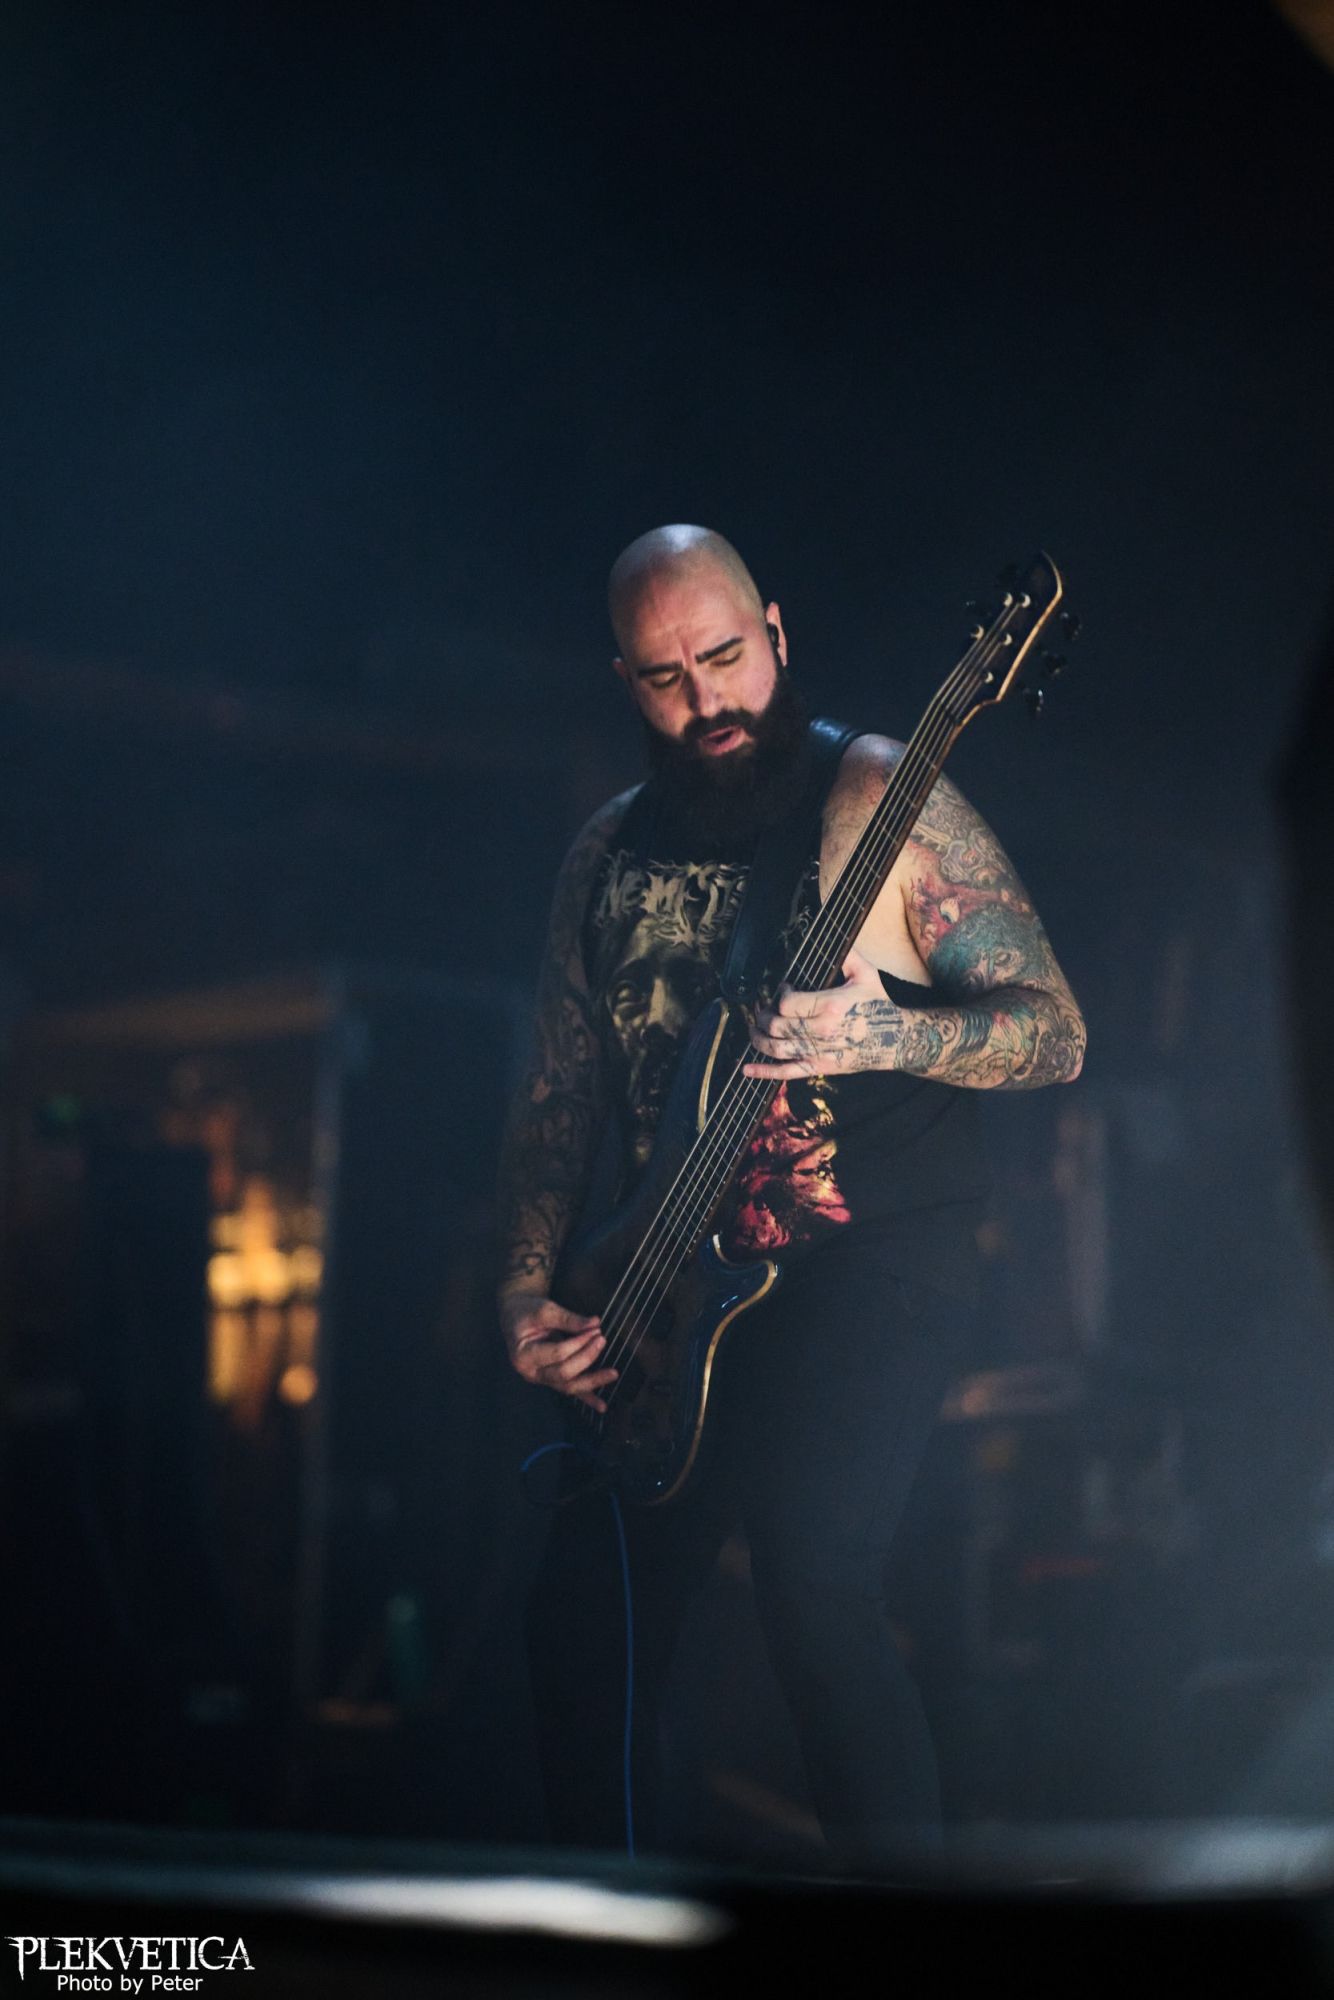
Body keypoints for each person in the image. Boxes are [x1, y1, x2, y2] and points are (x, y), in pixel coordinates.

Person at [497, 523, 1086, 1869]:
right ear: (624, 680)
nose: (704, 699)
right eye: (664, 679)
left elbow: (1054, 1031)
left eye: (723, 657)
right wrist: (526, 1286)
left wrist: (886, 1032)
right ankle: (608, 1932)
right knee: (578, 1618)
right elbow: (560, 1092)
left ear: (776, 631)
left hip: (868, 1259)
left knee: (813, 1578)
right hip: (662, 1281)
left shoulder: (878, 796)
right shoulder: (605, 852)